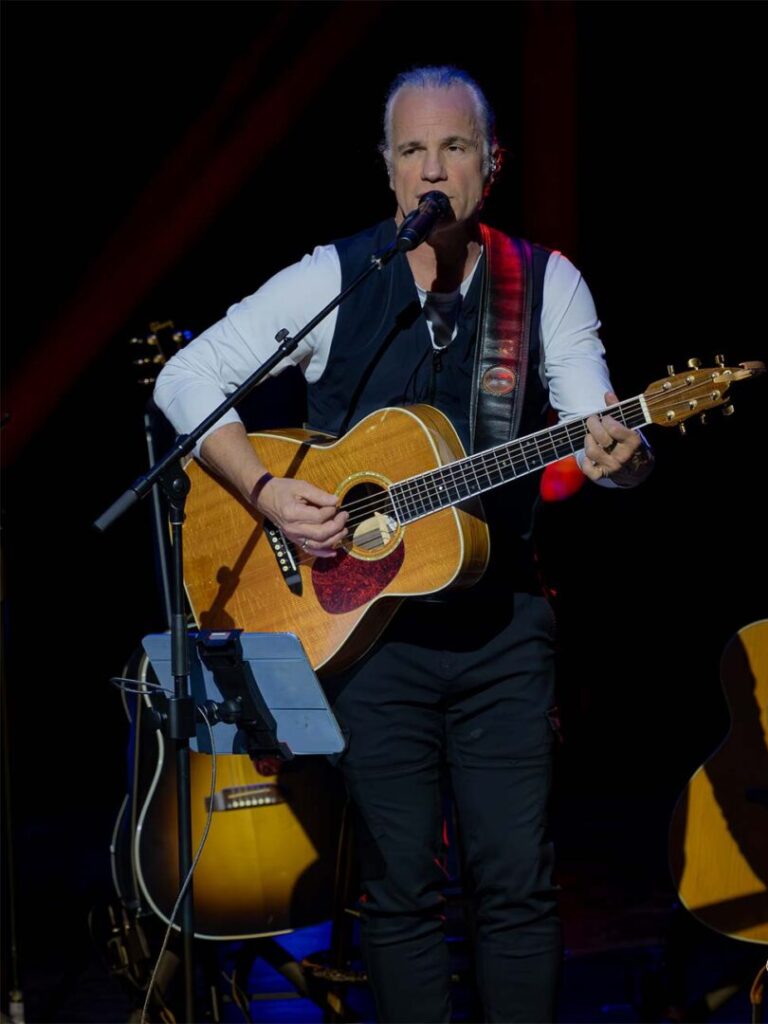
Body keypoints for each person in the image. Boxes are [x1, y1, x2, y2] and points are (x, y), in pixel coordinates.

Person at [154, 65, 654, 1023]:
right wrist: (262, 493)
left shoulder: (543, 285)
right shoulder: (334, 277)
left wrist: (623, 455)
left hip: (502, 630)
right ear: (388, 170)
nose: (434, 170)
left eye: (455, 148)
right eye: (414, 150)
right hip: (361, 631)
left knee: (516, 884)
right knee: (399, 894)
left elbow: (600, 432)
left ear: (490, 165)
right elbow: (187, 379)